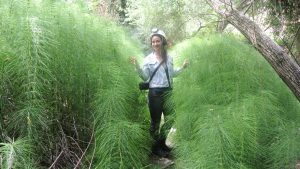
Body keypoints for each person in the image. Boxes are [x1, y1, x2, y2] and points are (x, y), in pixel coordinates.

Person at [130, 28, 189, 157]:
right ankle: (155, 148)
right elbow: (145, 77)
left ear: (163, 42)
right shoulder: (148, 59)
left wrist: (183, 68)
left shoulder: (169, 58)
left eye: (158, 41)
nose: (155, 43)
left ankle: (162, 144)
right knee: (155, 122)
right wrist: (137, 66)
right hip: (155, 93)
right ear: (152, 44)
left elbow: (172, 73)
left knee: (170, 119)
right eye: (153, 41)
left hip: (168, 92)